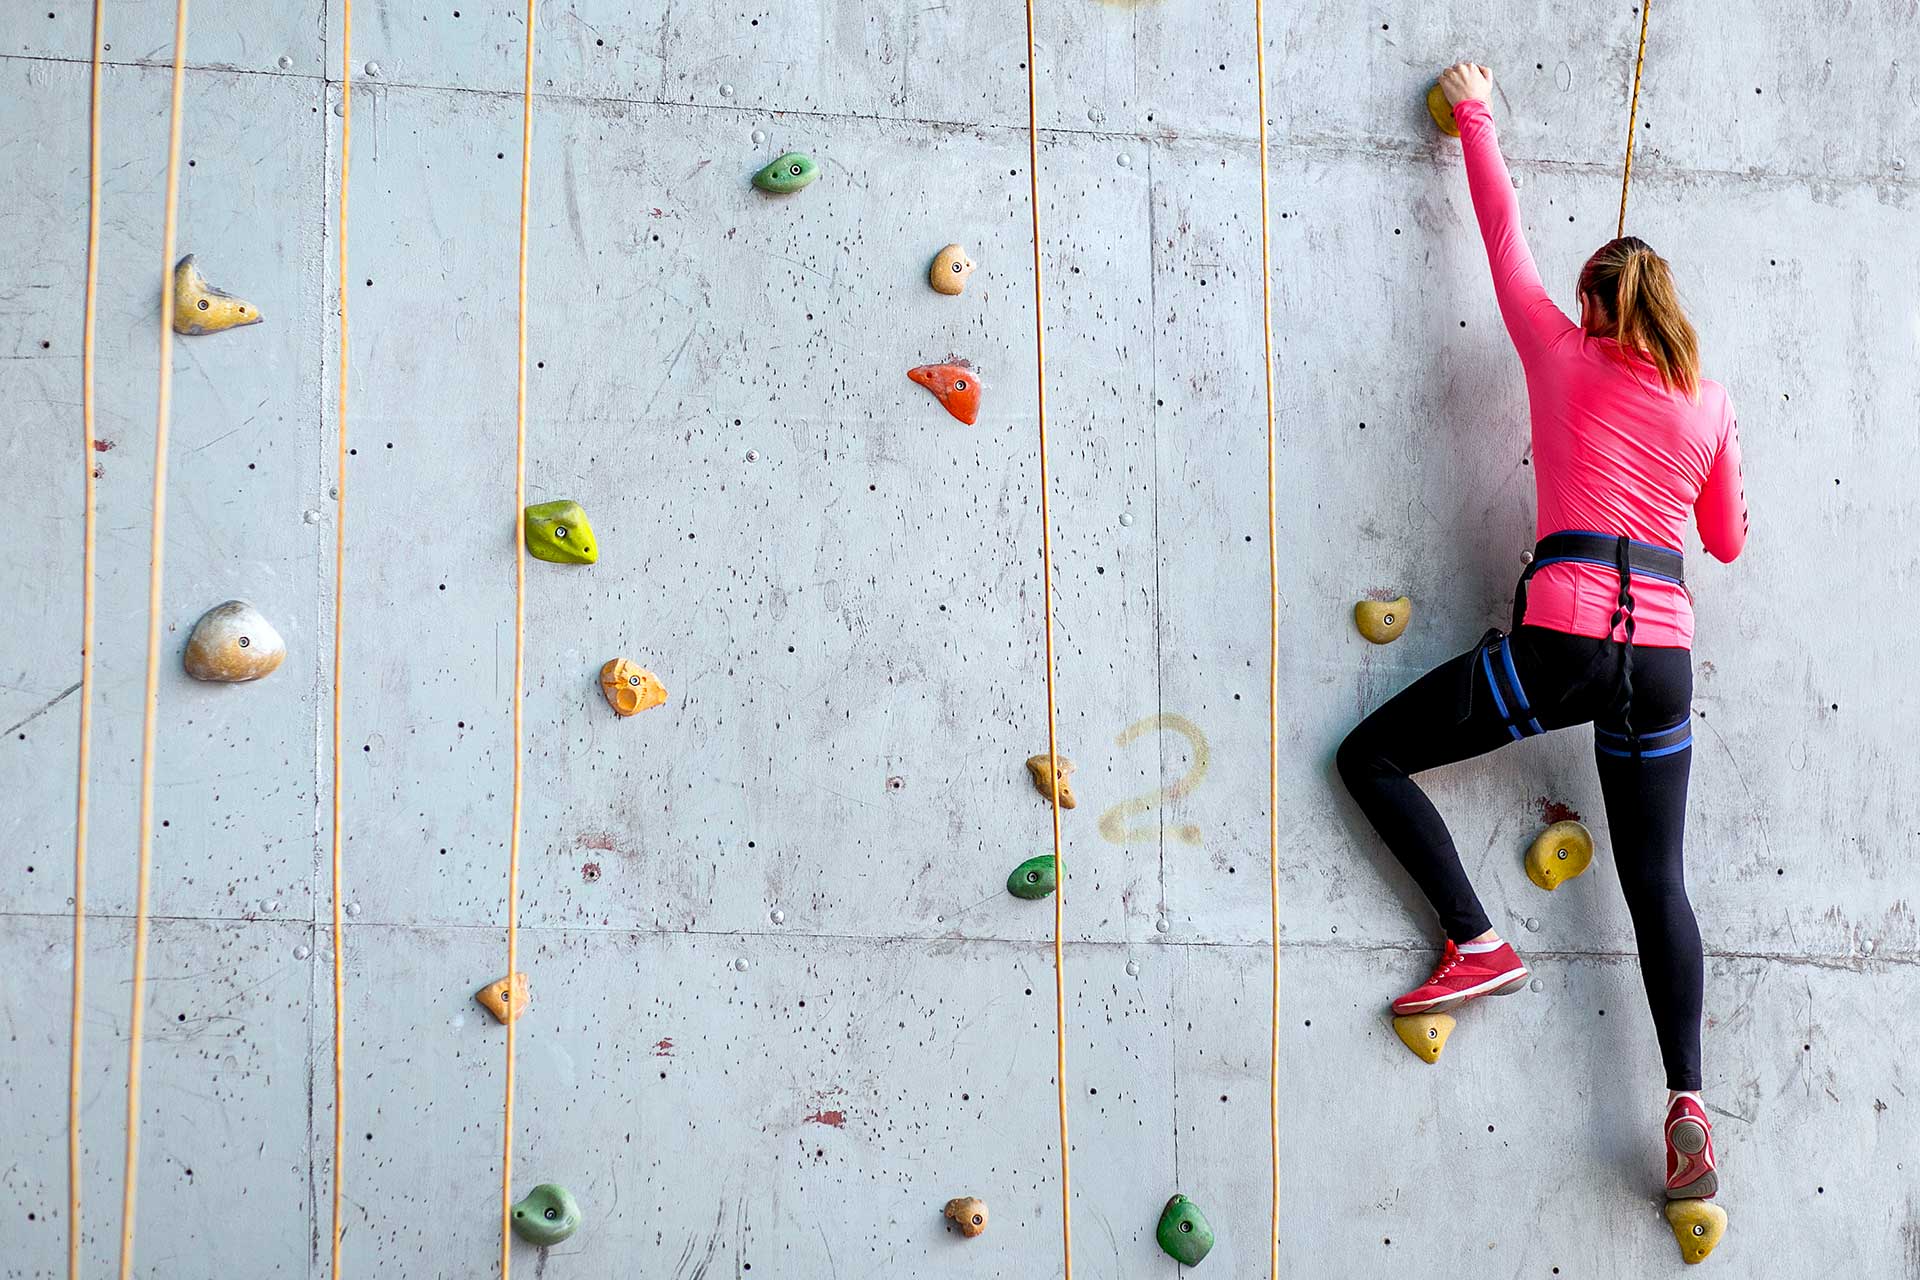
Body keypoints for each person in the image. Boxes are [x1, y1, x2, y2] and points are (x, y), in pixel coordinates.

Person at [1335, 62, 1746, 1202]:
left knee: (1367, 755)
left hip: (1565, 640)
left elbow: (1499, 229)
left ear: (1599, 309)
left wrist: (1474, 107)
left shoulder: (1560, 354)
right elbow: (1727, 540)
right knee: (1657, 883)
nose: (1572, 313)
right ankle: (1688, 1103)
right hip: (1660, 664)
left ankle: (1476, 940)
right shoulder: (1707, 400)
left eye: (1584, 301)